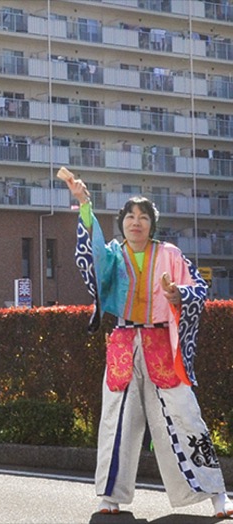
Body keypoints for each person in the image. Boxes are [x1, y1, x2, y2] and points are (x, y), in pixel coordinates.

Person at [67, 175, 231, 517]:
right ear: (122, 223)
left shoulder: (170, 254)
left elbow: (198, 288)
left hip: (162, 344)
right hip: (124, 343)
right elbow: (91, 261)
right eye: (130, 216)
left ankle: (216, 493)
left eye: (143, 217)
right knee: (117, 420)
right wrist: (85, 205)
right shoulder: (113, 255)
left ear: (152, 224)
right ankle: (110, 496)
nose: (136, 222)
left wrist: (179, 294)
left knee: (185, 415)